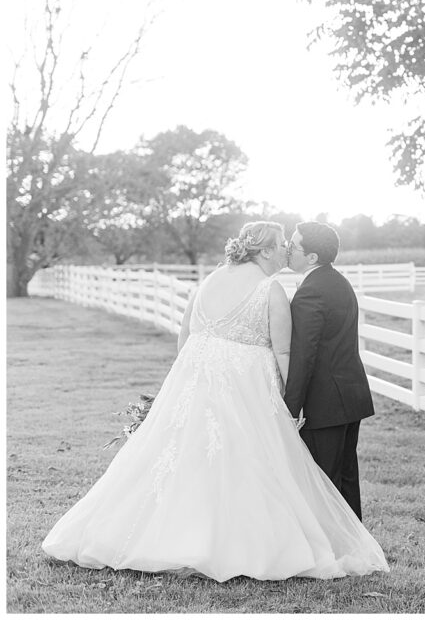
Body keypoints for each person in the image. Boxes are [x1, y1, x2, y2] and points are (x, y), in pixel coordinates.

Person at [41, 222, 388, 582]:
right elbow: (284, 350)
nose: (287, 249)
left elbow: (185, 338)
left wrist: (189, 384)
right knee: (248, 462)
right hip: (249, 390)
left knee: (183, 462)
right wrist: (287, 402)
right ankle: (246, 542)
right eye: (283, 244)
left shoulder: (206, 282)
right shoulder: (270, 291)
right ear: (266, 251)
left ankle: (166, 535)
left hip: (198, 386)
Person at [284, 222, 374, 520]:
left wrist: (290, 407)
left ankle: (330, 553)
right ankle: (354, 545)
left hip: (325, 402)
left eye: (293, 246)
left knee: (323, 480)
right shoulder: (337, 281)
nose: (287, 250)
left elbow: (304, 355)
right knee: (345, 476)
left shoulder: (311, 292)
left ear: (311, 257)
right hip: (349, 396)